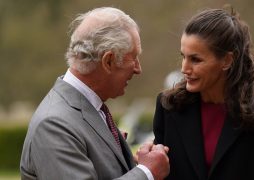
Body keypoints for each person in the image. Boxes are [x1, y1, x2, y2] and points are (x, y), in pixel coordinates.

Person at [20, 7, 169, 180]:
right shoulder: (54, 125)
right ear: (108, 61)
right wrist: (147, 172)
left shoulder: (89, 108)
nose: (138, 69)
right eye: (134, 57)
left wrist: (133, 165)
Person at [153, 7, 254, 180]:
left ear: (226, 61)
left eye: (195, 59)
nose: (184, 68)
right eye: (183, 57)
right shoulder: (169, 107)